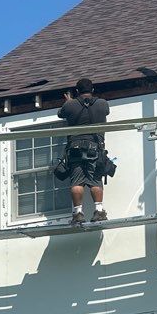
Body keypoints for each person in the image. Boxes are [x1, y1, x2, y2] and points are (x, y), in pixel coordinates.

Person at [58, 77, 111, 226]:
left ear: (76, 91)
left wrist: (69, 102)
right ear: (92, 90)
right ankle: (99, 211)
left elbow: (61, 113)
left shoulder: (70, 105)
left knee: (77, 181)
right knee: (95, 180)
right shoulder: (102, 103)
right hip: (95, 146)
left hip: (74, 147)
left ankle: (78, 213)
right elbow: (106, 111)